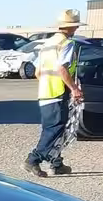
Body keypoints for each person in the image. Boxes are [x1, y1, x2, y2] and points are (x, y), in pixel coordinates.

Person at [24, 9, 84, 177]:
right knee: (55, 129)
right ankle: (33, 159)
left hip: (45, 91)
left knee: (53, 128)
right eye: (76, 26)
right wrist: (74, 88)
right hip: (58, 91)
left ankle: (56, 163)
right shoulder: (67, 43)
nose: (77, 29)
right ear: (71, 27)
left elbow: (37, 71)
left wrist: (47, 83)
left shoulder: (47, 44)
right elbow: (62, 68)